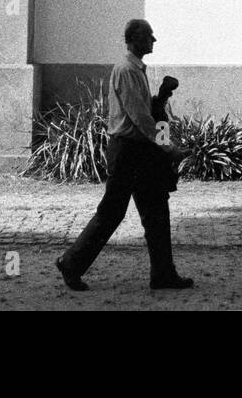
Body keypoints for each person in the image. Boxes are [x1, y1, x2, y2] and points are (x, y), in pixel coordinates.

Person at [56, 19, 193, 291]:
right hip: (129, 151)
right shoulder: (128, 70)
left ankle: (163, 273)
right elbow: (140, 118)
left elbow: (144, 112)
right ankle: (71, 263)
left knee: (154, 210)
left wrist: (161, 97)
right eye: (149, 36)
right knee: (113, 212)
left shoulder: (134, 69)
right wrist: (170, 148)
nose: (154, 40)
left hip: (135, 151)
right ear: (135, 40)